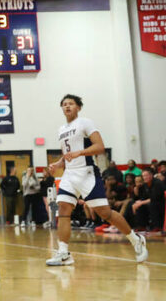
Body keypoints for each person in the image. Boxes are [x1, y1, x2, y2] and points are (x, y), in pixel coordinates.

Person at [45, 94, 146, 266]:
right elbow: (67, 155)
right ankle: (64, 253)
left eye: (71, 103)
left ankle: (136, 239)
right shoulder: (61, 129)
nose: (67, 106)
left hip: (87, 173)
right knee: (63, 209)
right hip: (69, 174)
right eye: (64, 104)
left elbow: (100, 147)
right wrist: (58, 163)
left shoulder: (85, 123)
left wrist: (80, 153)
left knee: (105, 214)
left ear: (78, 107)